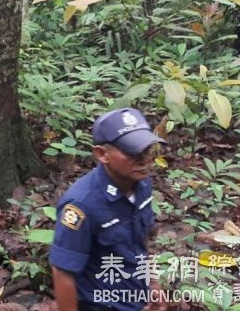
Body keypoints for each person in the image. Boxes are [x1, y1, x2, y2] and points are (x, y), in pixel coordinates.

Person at [50, 108, 168, 311]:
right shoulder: (82, 204)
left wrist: (152, 283)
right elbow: (63, 272)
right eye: (132, 152)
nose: (143, 160)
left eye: (147, 150)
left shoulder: (142, 185)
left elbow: (141, 241)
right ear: (102, 154)